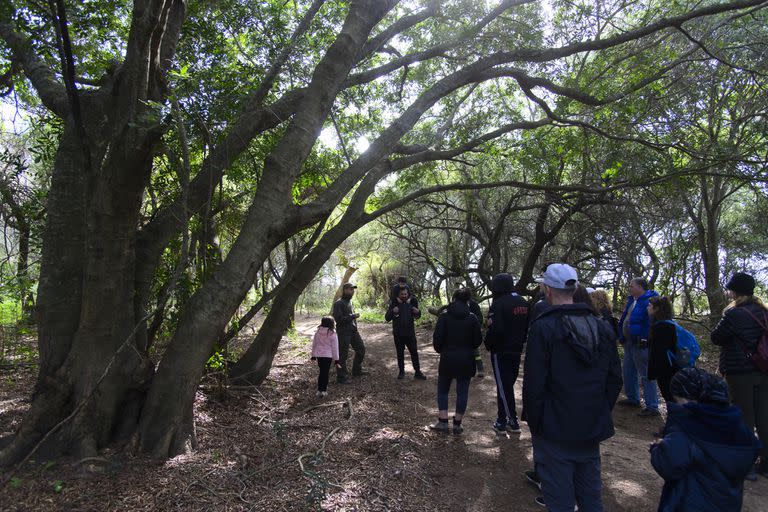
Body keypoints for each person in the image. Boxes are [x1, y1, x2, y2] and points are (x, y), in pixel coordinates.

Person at [523, 263, 622, 511]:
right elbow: (614, 379)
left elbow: (534, 383)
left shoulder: (543, 328)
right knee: (591, 498)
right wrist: (599, 411)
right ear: (576, 287)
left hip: (553, 429)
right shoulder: (602, 327)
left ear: (547, 290)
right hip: (589, 427)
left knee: (560, 500)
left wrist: (537, 424)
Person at [650, 367, 761, 511]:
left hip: (690, 504)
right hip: (728, 504)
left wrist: (657, 448)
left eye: (678, 398)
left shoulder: (691, 428)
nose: (677, 403)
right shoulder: (736, 424)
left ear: (690, 397)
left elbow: (669, 465)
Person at [711, 272, 768, 478]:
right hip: (763, 369)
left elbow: (716, 337)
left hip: (740, 371)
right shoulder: (763, 312)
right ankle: (766, 463)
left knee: (744, 416)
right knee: (763, 416)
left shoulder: (734, 314)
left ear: (736, 291)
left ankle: (746, 463)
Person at [430, 288, 482, 434]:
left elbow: (437, 340)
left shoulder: (444, 317)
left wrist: (443, 351)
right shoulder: (472, 318)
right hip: (466, 360)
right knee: (462, 392)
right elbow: (477, 341)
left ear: (453, 299)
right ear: (468, 301)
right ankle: (457, 424)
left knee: (443, 390)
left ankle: (443, 422)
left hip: (447, 359)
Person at [485, 273, 529, 434]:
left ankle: (508, 421)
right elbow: (527, 327)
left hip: (501, 350)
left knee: (503, 386)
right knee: (508, 384)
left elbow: (496, 329)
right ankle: (505, 419)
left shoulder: (498, 304)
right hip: (516, 349)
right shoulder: (523, 302)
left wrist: (488, 343)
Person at [617, 277, 660, 416]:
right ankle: (633, 398)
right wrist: (621, 335)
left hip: (641, 343)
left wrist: (644, 337)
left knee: (646, 374)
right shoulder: (632, 300)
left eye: (632, 286)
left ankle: (652, 405)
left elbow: (649, 322)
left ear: (641, 287)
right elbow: (626, 318)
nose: (630, 288)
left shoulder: (650, 301)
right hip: (629, 341)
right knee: (628, 370)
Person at [385, 287, 426, 380]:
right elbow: (387, 318)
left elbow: (417, 316)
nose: (404, 296)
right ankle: (401, 372)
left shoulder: (411, 304)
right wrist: (392, 311)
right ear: (398, 295)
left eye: (405, 294)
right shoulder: (393, 304)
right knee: (400, 353)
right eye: (402, 294)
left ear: (408, 294)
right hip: (398, 334)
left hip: (410, 334)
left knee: (414, 353)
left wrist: (418, 312)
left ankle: (418, 372)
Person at [332, 283, 368, 383]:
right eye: (350, 289)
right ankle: (341, 377)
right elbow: (338, 319)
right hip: (343, 332)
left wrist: (355, 326)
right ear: (344, 290)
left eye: (353, 289)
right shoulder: (339, 303)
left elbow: (351, 318)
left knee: (361, 349)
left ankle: (357, 370)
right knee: (342, 355)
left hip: (353, 331)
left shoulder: (350, 302)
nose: (352, 291)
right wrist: (352, 316)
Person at [647, 296, 679, 405]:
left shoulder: (661, 327)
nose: (648, 308)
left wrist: (652, 372)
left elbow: (658, 352)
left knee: (670, 397)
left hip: (666, 369)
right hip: (674, 366)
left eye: (650, 306)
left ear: (657, 309)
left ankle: (674, 419)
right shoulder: (670, 323)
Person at [310, 317, 340, 397]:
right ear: (331, 323)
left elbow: (314, 345)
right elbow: (335, 348)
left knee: (322, 372)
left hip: (319, 356)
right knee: (325, 373)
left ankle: (320, 390)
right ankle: (323, 390)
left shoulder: (317, 332)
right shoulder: (333, 334)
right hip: (327, 356)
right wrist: (336, 359)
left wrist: (313, 355)